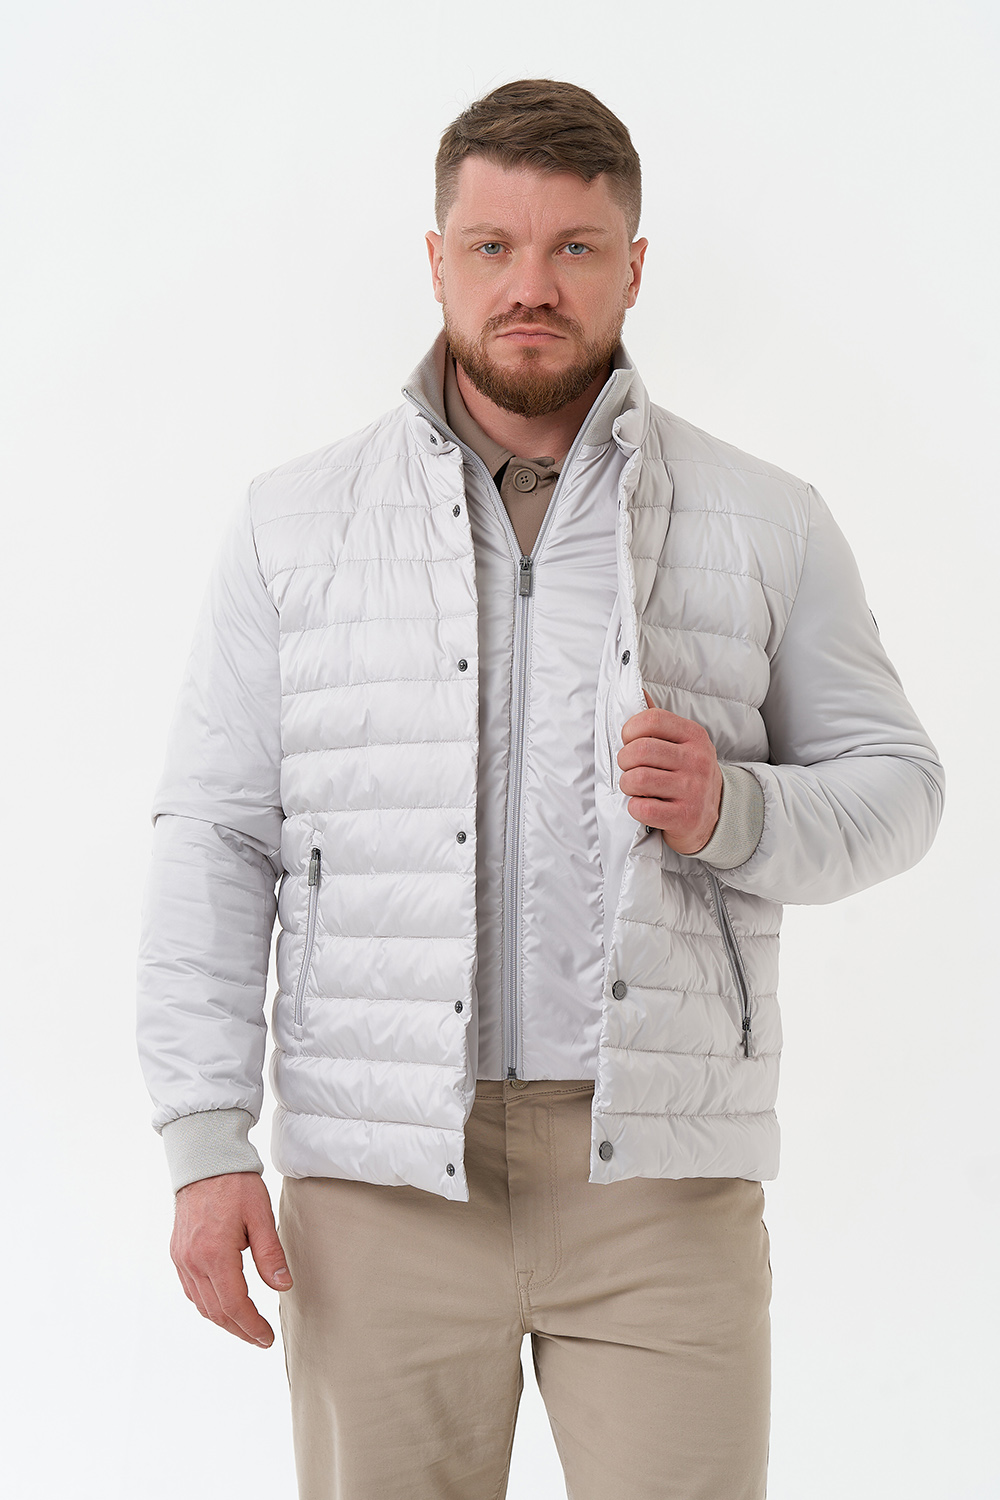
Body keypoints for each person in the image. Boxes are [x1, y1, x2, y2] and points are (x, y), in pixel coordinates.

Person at [136, 77, 944, 1500]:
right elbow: (217, 836)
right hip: (379, 1181)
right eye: (493, 245)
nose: (532, 285)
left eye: (576, 247)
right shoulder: (292, 526)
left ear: (634, 267)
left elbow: (900, 787)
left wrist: (735, 811)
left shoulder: (767, 519)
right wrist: (207, 1143)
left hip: (660, 1183)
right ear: (436, 258)